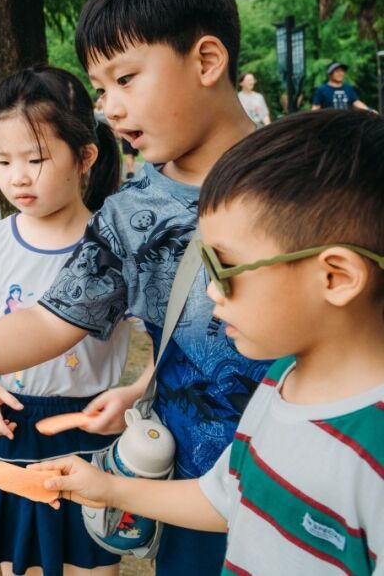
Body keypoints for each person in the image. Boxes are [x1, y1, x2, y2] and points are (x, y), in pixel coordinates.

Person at [0, 0, 272, 575]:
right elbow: (50, 319)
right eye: (101, 90)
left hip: (310, 476)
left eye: (126, 79)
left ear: (207, 60)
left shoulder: (316, 182)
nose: (111, 109)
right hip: (191, 488)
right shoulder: (130, 214)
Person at [32, 109, 384, 576]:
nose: (211, 292)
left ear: (336, 277)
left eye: (224, 268)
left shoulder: (372, 450)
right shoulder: (280, 383)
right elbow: (226, 496)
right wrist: (109, 489)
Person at [0, 67, 128, 576]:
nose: (18, 177)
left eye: (36, 159)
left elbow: (164, 344)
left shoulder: (115, 246)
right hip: (6, 430)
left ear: (85, 157)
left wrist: (135, 401)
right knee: (18, 563)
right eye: (4, 161)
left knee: (91, 564)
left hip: (87, 431)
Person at [95, 97, 136, 179]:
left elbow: (114, 124)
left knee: (114, 155)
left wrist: (118, 134)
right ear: (96, 103)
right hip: (98, 138)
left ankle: (121, 174)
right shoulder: (94, 113)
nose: (100, 103)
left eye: (101, 101)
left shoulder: (107, 112)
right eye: (98, 101)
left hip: (111, 137)